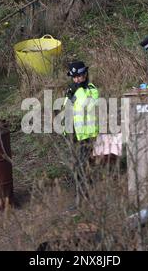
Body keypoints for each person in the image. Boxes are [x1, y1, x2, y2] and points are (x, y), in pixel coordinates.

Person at [63, 61, 99, 207]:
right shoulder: (72, 91)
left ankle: (85, 198)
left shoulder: (91, 89)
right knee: (79, 167)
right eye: (74, 77)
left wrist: (76, 91)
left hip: (88, 135)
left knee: (84, 166)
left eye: (78, 76)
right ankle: (82, 197)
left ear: (85, 74)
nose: (76, 79)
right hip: (76, 135)